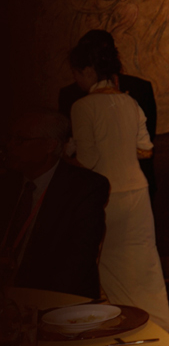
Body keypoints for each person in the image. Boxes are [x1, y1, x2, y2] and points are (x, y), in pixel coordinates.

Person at [69, 37, 169, 330]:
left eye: (77, 73)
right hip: (137, 193)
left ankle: (121, 328)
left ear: (89, 71)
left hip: (106, 195)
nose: (76, 80)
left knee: (109, 267)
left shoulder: (82, 106)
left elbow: (88, 161)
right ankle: (157, 326)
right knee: (144, 264)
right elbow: (146, 149)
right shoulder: (130, 101)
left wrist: (67, 155)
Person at [0, 110, 109, 299]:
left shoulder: (84, 188)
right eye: (9, 138)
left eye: (20, 140)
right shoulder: (8, 183)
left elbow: (77, 262)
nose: (10, 146)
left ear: (50, 145)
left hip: (50, 298)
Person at [59, 30, 158, 193]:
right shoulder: (70, 96)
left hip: (132, 183)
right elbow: (70, 141)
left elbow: (146, 143)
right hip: (91, 185)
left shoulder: (139, 89)